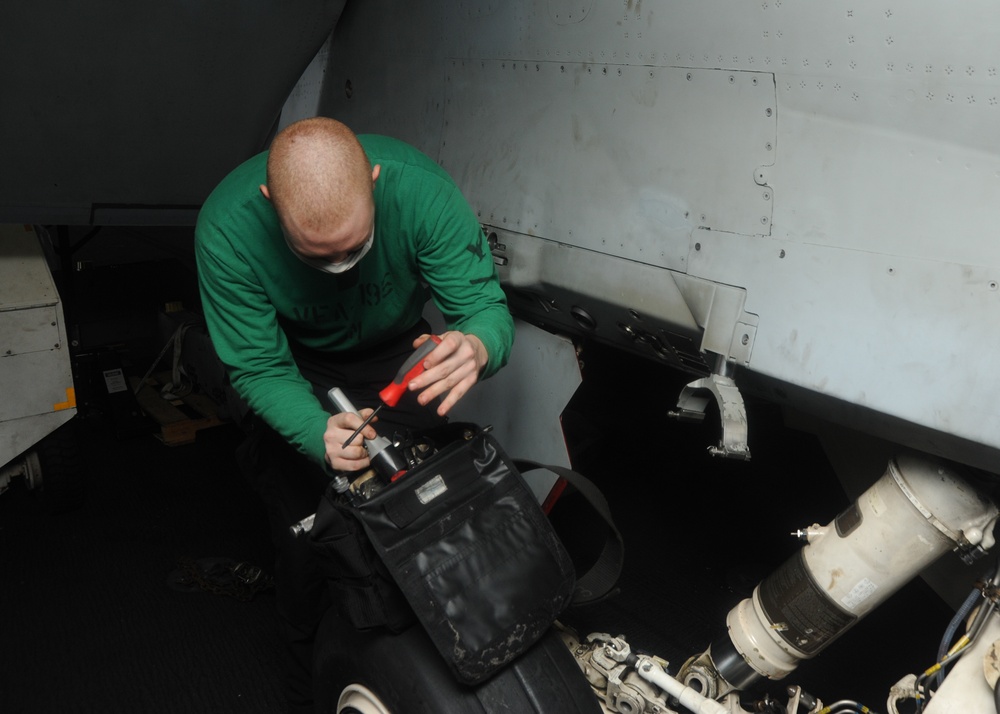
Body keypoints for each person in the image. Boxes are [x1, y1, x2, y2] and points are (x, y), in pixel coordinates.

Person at [194, 117, 514, 712]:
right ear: (271, 206)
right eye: (319, 256)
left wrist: (478, 345)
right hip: (295, 368)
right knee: (306, 548)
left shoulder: (420, 192)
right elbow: (259, 368)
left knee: (429, 518)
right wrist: (318, 434)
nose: (342, 266)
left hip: (398, 357)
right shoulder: (228, 229)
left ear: (374, 181)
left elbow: (483, 308)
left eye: (355, 248)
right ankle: (308, 690)